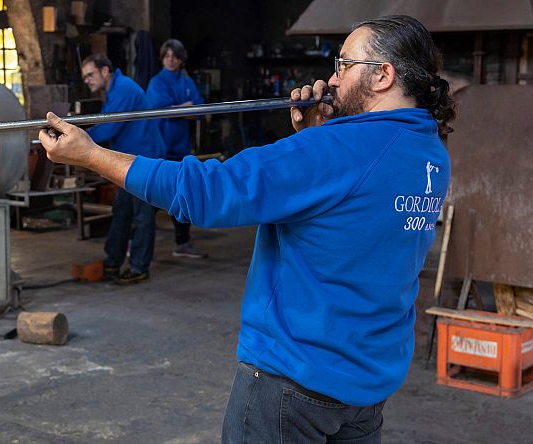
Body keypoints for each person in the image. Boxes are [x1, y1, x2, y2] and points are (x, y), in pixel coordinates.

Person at [40, 15, 454, 442]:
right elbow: (352, 211)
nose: (331, 79)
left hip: (292, 385)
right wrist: (314, 138)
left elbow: (205, 192)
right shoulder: (431, 154)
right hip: (366, 389)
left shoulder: (334, 150)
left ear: (383, 75)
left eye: (343, 65)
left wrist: (90, 155)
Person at [81, 54, 166, 284]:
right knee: (122, 212)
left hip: (144, 162)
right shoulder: (112, 90)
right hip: (128, 163)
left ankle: (139, 267)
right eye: (85, 77)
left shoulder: (123, 89)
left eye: (90, 75)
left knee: (142, 216)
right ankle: (113, 262)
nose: (87, 80)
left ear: (105, 71)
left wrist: (78, 139)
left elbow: (109, 128)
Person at [146, 39, 208, 259]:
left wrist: (180, 109)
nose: (170, 59)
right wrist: (185, 108)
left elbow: (200, 109)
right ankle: (135, 242)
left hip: (181, 148)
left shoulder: (186, 81)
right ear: (162, 58)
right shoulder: (157, 82)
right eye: (167, 55)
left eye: (174, 55)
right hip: (160, 148)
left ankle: (182, 243)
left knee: (182, 195)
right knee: (151, 198)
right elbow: (162, 112)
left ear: (181, 59)